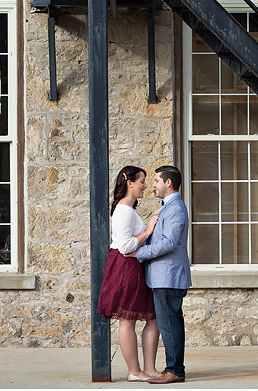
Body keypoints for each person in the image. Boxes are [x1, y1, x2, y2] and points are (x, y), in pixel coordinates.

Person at [98, 166, 162, 382]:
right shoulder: (124, 210)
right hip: (127, 267)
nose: (145, 185)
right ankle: (135, 371)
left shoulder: (126, 208)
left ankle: (145, 369)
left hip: (131, 265)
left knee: (146, 318)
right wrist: (148, 232)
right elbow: (125, 246)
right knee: (128, 319)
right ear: (130, 183)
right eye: (142, 181)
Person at [136, 165, 191, 385]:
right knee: (169, 324)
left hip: (169, 277)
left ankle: (175, 370)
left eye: (157, 180)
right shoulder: (166, 207)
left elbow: (169, 242)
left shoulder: (175, 208)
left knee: (170, 325)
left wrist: (139, 253)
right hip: (162, 277)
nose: (153, 185)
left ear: (168, 182)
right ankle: (174, 368)